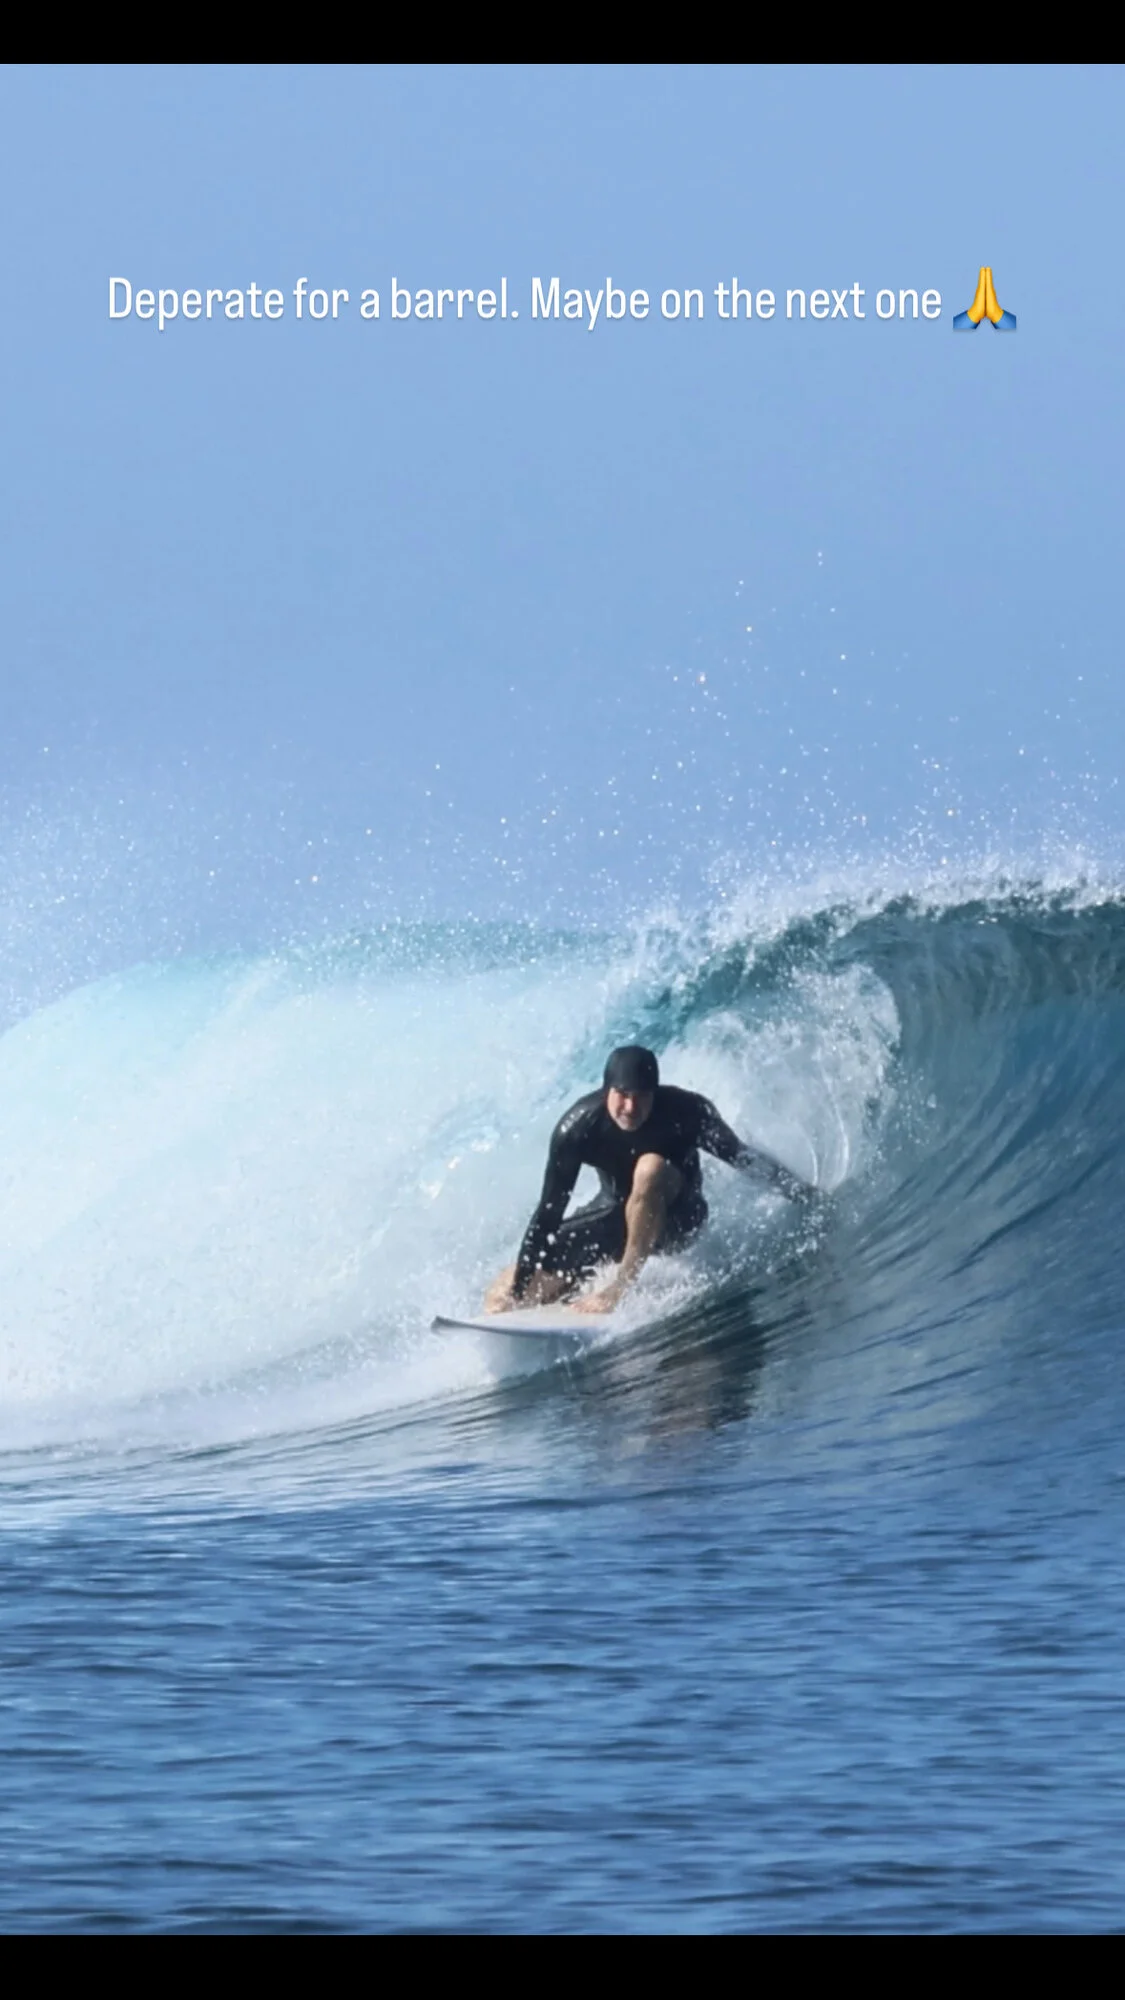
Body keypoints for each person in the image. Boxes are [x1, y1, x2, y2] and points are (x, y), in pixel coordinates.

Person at [486, 1044, 817, 1316]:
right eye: (622, 1094)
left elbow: (743, 1158)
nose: (631, 1106)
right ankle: (541, 1299)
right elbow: (548, 1214)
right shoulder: (577, 1130)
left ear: (655, 1092)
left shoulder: (687, 1112)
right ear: (606, 1092)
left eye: (641, 1095)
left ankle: (618, 1288)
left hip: (677, 1220)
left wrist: (804, 1195)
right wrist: (517, 1292)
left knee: (650, 1168)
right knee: (510, 1288)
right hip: (614, 1217)